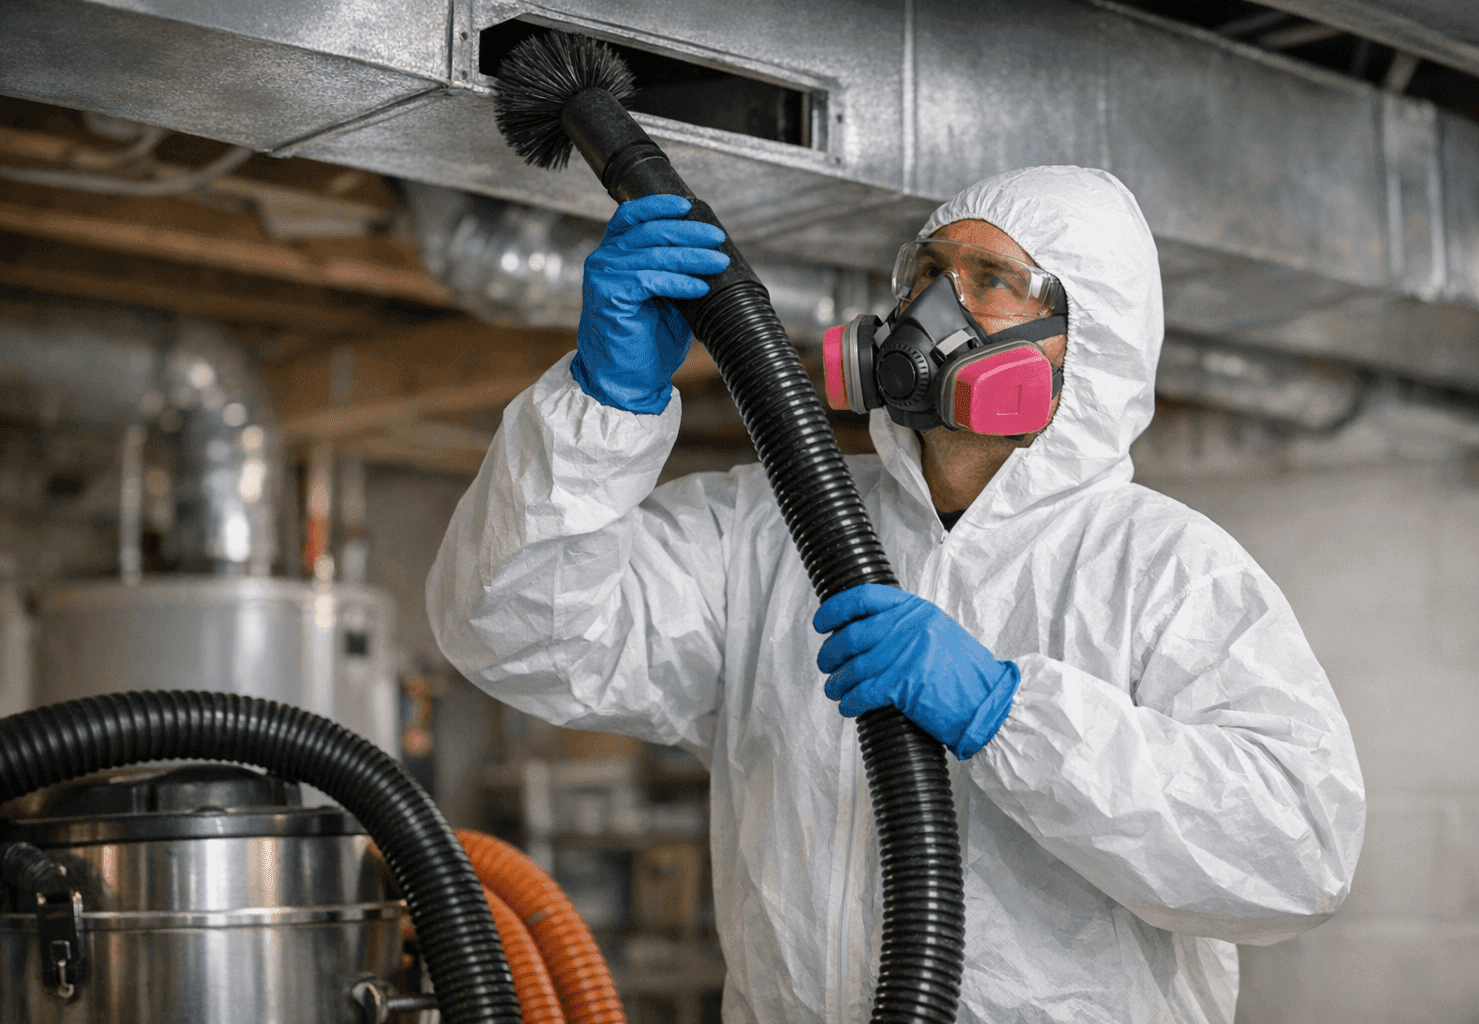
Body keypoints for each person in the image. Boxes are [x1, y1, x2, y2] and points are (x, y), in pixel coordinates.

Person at [427, 166, 1366, 1024]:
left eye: (991, 282)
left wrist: (1013, 716)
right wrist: (604, 404)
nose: (931, 309)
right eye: (925, 273)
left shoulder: (1163, 570)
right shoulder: (769, 529)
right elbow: (513, 633)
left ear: (1089, 349)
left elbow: (1296, 856)